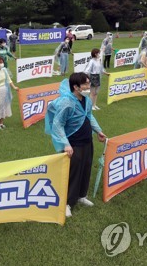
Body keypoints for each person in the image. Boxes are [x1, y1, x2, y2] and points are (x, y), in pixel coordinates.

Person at [44, 72, 106, 217]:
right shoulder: (67, 102)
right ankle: (67, 203)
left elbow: (89, 116)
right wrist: (65, 144)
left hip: (87, 141)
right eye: (85, 84)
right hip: (74, 143)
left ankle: (81, 195)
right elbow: (58, 124)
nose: (88, 86)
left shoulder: (87, 100)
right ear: (76, 87)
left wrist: (98, 131)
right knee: (73, 173)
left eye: (88, 83)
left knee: (86, 168)